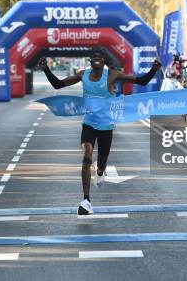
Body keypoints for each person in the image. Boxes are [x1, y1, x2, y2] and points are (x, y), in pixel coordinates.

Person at [38, 49, 161, 215]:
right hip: (88, 123)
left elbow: (142, 81)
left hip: (106, 126)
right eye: (94, 57)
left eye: (99, 57)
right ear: (90, 61)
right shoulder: (83, 75)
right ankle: (86, 200)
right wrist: (46, 69)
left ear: (104, 61)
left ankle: (101, 171)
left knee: (101, 162)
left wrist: (154, 69)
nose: (96, 59)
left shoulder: (112, 75)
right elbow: (58, 85)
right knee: (86, 157)